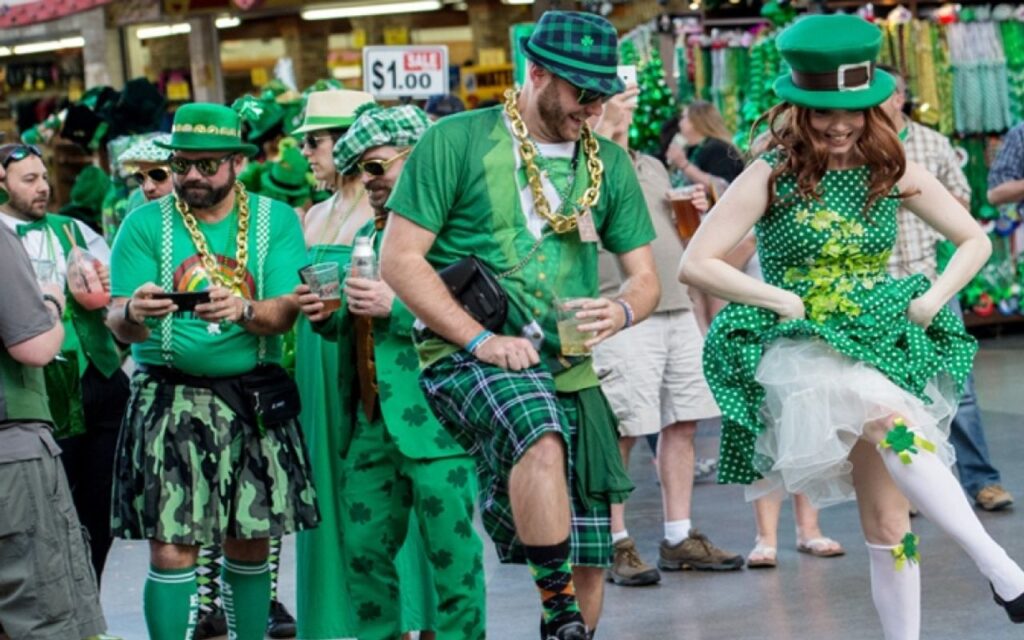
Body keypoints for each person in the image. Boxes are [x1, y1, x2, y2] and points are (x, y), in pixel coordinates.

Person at [680, 14, 1024, 637]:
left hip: (876, 337)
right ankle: (1003, 569)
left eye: (853, 113)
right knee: (890, 422)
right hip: (801, 347)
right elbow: (695, 262)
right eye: (823, 113)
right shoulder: (769, 174)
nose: (840, 126)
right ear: (798, 109)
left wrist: (936, 295)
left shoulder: (888, 170)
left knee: (889, 527)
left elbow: (973, 239)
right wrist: (777, 299)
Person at [380, 11, 660, 639]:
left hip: (571, 361)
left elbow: (645, 277)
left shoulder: (607, 164)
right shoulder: (456, 140)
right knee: (537, 430)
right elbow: (400, 261)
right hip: (467, 353)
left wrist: (620, 309)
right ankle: (558, 608)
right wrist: (481, 338)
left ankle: (564, 624)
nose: (592, 108)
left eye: (602, 94)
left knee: (590, 556)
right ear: (536, 72)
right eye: (580, 93)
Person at [106, 103, 319, 640]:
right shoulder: (143, 222)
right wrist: (133, 312)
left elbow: (284, 311)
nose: (191, 177)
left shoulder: (275, 220)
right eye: (181, 165)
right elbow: (117, 322)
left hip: (252, 397)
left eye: (206, 166)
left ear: (237, 163)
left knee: (249, 538)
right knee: (170, 546)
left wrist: (244, 310)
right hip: (168, 397)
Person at [298, 103, 485, 639]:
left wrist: (398, 307)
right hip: (371, 424)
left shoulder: (459, 229)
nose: (368, 182)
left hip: (437, 424)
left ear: (419, 157)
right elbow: (358, 330)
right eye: (359, 170)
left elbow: (485, 318)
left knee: (454, 563)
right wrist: (328, 317)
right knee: (362, 556)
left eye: (377, 167)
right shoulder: (368, 238)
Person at [590, 87, 741, 586]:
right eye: (617, 102)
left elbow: (672, 237)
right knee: (623, 427)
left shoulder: (652, 165)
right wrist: (605, 127)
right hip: (622, 308)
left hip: (675, 304)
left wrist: (696, 211)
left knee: (684, 420)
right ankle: (613, 542)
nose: (627, 110)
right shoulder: (583, 162)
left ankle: (678, 536)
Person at [880, 64, 1014, 513]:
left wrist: (922, 197)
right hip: (877, 287)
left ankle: (981, 481)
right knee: (891, 391)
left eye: (883, 94)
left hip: (931, 279)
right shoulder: (856, 148)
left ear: (899, 97)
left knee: (959, 386)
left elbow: (963, 202)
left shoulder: (933, 144)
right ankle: (911, 487)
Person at [0, 144, 128, 585]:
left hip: (102, 377)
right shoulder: (2, 237)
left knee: (103, 505)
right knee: (56, 508)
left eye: (43, 177)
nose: (42, 188)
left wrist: (109, 288)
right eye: (28, 180)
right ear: (2, 183)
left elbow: (114, 298)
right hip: (45, 386)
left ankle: (88, 601)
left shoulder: (73, 229)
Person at [663, 100, 746, 191]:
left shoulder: (718, 148)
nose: (679, 123)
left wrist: (683, 164)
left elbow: (723, 188)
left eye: (683, 118)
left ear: (696, 121)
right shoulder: (693, 149)